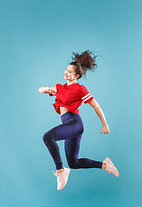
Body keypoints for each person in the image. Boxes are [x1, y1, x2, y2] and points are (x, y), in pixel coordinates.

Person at [38, 50, 119, 191]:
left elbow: (96, 106)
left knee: (47, 137)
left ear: (76, 76)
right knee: (74, 163)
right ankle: (105, 165)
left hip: (75, 124)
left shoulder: (80, 89)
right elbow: (41, 89)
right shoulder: (59, 88)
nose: (66, 73)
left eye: (69, 72)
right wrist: (47, 89)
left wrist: (104, 124)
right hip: (69, 125)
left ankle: (60, 170)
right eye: (66, 70)